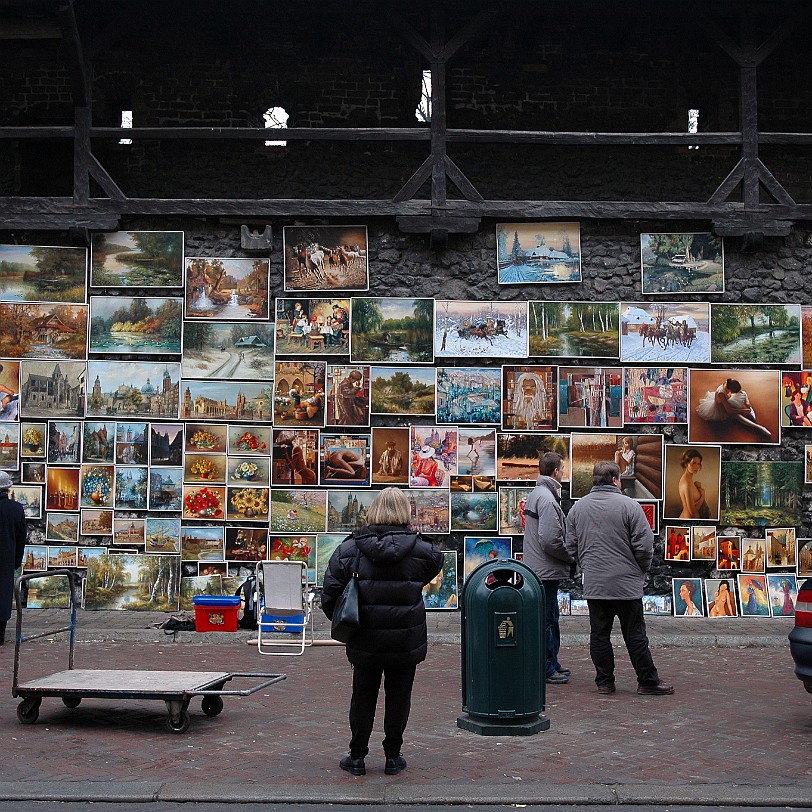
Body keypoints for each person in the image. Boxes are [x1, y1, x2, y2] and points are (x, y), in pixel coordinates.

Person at [321, 487, 442, 777]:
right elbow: (434, 563)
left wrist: (346, 624)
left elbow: (330, 594)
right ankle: (393, 756)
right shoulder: (421, 551)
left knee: (362, 695)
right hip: (404, 637)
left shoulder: (349, 549)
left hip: (365, 636)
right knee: (399, 696)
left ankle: (357, 756)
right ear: (405, 512)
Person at [564, 461, 674, 696]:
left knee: (599, 634)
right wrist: (639, 570)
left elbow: (570, 546)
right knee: (634, 634)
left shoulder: (578, 508)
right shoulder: (630, 506)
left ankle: (604, 682)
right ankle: (647, 680)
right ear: (615, 480)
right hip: (626, 584)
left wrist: (587, 564)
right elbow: (644, 547)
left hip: (595, 584)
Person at [522, 452, 574, 685]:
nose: (564, 472)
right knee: (547, 618)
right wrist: (570, 556)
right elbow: (551, 540)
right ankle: (546, 667)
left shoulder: (539, 494)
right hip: (545, 569)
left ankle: (551, 661)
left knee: (549, 617)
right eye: (563, 468)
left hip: (540, 567)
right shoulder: (548, 498)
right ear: (555, 472)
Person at [0, 470, 27, 645]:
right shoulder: (16, 509)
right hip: (6, 558)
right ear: (8, 489)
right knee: (3, 595)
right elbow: (21, 537)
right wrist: (17, 561)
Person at [695, 378, 772, 439]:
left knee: (743, 394)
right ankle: (760, 428)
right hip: (722, 408)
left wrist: (747, 405)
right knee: (738, 417)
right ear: (730, 390)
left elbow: (739, 392)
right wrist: (743, 410)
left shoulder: (729, 383)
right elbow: (729, 410)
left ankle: (750, 409)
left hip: (727, 401)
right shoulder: (721, 393)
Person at [678, 449, 710, 519]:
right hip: (687, 519)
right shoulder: (686, 483)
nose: (697, 467)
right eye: (693, 463)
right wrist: (702, 496)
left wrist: (696, 487)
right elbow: (692, 511)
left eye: (698, 464)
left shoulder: (689, 480)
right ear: (686, 464)